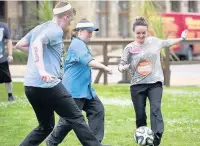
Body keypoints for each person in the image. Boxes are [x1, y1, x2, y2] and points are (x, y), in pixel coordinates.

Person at [15, 1, 102, 146]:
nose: (70, 23)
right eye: (71, 19)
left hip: (30, 86)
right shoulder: (56, 30)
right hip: (48, 85)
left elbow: (20, 45)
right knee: (76, 117)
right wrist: (42, 70)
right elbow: (36, 44)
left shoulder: (40, 27)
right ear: (66, 17)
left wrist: (40, 58)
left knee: (46, 126)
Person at [118, 16, 188, 146]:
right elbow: (121, 64)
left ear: (147, 31)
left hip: (154, 83)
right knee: (140, 116)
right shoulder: (129, 48)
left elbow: (168, 42)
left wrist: (182, 38)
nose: (141, 35)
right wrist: (123, 67)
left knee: (155, 109)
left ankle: (156, 139)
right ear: (134, 32)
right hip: (137, 86)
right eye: (138, 33)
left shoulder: (154, 42)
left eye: (143, 33)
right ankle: (143, 140)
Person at [46, 19, 112, 146]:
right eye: (89, 32)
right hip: (74, 91)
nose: (91, 35)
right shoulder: (77, 44)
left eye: (92, 32)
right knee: (68, 121)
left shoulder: (81, 44)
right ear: (80, 32)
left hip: (86, 91)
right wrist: (105, 67)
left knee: (97, 109)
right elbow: (89, 61)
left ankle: (95, 143)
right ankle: (51, 142)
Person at [0, 22, 15, 102]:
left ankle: (10, 96)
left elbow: (9, 41)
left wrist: (10, 54)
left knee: (7, 78)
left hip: (1, 59)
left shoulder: (3, 27)